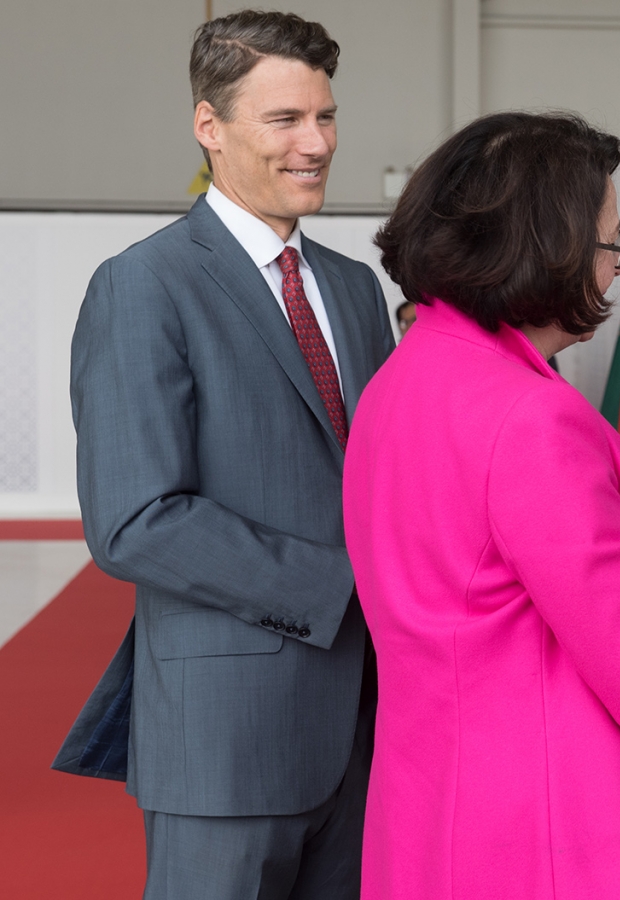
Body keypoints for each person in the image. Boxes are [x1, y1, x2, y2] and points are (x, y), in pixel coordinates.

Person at [343, 111, 620, 900]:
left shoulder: (402, 382)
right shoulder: (530, 418)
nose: (615, 272)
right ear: (546, 249)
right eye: (612, 245)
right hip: (559, 836)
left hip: (438, 813)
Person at [52, 11, 395, 899]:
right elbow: (136, 521)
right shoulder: (144, 285)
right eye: (284, 120)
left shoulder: (355, 290)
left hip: (372, 731)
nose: (315, 143)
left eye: (325, 116)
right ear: (210, 126)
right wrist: (345, 586)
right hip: (224, 739)